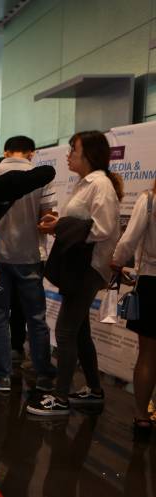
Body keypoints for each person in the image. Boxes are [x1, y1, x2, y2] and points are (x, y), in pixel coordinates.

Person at [27, 130, 122, 416]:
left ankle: (60, 397)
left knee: (66, 332)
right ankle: (94, 389)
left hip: (88, 268)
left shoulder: (100, 185)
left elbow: (103, 228)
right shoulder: (87, 183)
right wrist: (58, 222)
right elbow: (82, 222)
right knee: (79, 331)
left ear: (89, 155)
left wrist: (59, 226)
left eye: (73, 151)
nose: (68, 156)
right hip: (80, 267)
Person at [0, 136, 57, 393]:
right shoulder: (40, 176)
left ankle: (2, 375)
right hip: (30, 257)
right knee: (36, 318)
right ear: (31, 153)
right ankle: (43, 375)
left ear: (7, 151)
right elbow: (48, 218)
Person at [110, 181, 156, 439]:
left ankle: (142, 417)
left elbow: (129, 239)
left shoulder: (149, 200)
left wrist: (116, 262)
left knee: (147, 354)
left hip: (152, 282)